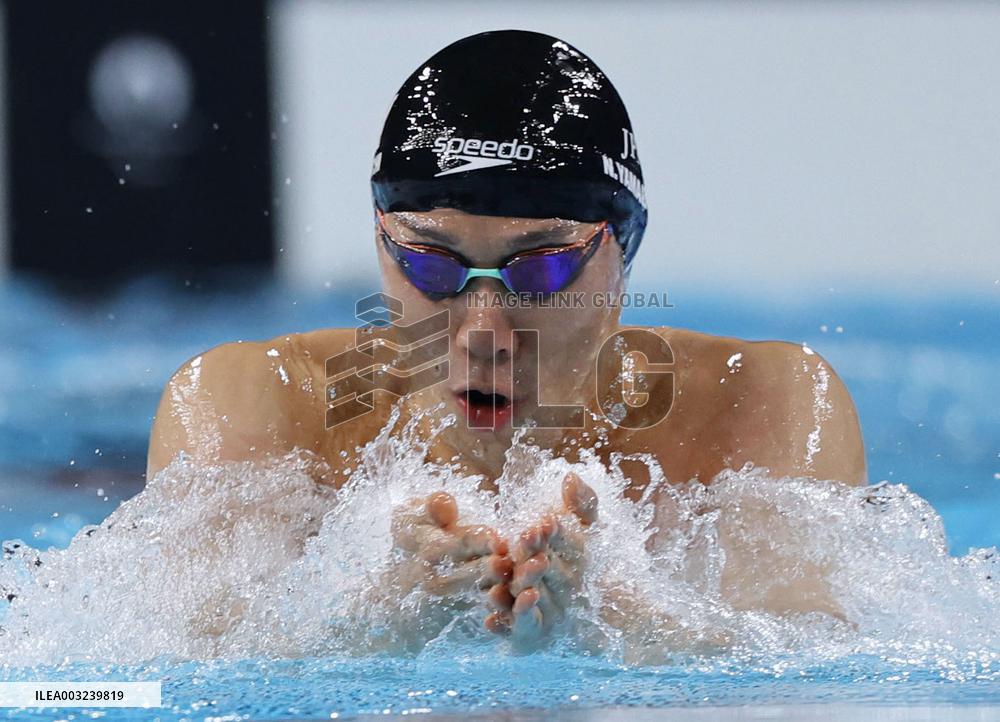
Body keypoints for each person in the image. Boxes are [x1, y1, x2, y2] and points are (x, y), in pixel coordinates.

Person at [147, 30, 866, 644]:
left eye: (543, 267)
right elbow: (153, 682)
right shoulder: (251, 405)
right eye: (430, 263)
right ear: (380, 245)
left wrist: (618, 616)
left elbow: (813, 672)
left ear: (623, 257)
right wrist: (375, 619)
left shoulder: (760, 404)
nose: (485, 331)